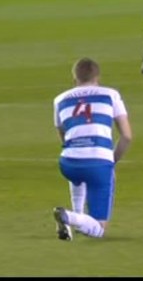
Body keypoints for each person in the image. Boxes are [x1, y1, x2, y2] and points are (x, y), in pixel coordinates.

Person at [51, 57, 132, 241]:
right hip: (98, 163)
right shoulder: (110, 94)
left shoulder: (60, 99)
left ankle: (75, 219)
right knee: (99, 229)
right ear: (98, 77)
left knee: (78, 170)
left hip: (67, 163)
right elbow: (127, 136)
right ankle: (69, 217)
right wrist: (112, 161)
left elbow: (63, 136)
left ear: (74, 78)